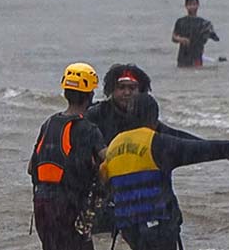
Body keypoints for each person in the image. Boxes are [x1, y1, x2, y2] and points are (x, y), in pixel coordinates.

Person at [99, 94, 229, 250]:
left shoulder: (114, 145)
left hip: (129, 228)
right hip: (160, 224)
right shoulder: (157, 143)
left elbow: (103, 179)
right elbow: (199, 150)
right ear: (154, 118)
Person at [85, 64, 202, 234]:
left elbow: (175, 138)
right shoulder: (95, 115)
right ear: (111, 90)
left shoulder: (144, 118)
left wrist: (211, 146)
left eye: (132, 88)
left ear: (142, 91)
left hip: (136, 190)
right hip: (102, 187)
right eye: (121, 88)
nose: (127, 93)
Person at [28, 63, 106, 250]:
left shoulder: (49, 123)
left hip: (42, 205)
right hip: (70, 205)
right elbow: (109, 161)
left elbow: (31, 168)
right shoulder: (89, 129)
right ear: (90, 96)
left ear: (65, 93)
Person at [172, 0, 220, 68]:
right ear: (186, 6)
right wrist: (181, 39)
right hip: (183, 56)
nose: (192, 7)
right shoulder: (180, 21)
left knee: (196, 75)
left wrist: (209, 32)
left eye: (194, 4)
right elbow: (173, 38)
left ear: (198, 5)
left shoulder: (203, 23)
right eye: (190, 5)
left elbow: (215, 38)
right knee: (182, 75)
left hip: (197, 56)